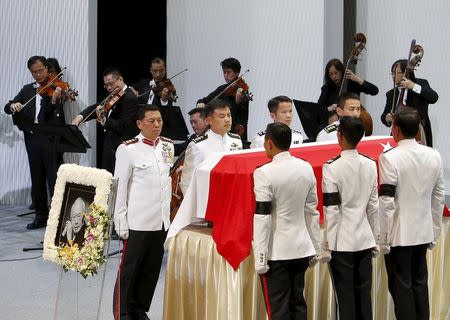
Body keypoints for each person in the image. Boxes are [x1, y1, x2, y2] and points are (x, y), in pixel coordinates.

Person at [378, 108, 445, 320]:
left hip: (399, 233)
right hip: (422, 231)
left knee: (401, 288)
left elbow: (386, 201)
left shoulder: (389, 157)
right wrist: (435, 231)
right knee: (419, 285)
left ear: (395, 130)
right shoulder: (434, 155)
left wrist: (384, 236)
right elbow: (438, 197)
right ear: (418, 130)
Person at [252, 122, 321, 320]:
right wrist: (315, 246)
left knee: (278, 309)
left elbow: (262, 217)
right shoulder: (306, 168)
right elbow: (312, 211)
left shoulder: (264, 172)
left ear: (269, 143)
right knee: (298, 303)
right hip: (301, 249)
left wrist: (261, 256)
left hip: (277, 253)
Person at [113, 105, 174, 320]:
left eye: (159, 120)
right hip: (137, 221)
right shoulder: (127, 149)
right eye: (151, 121)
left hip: (160, 220)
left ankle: (139, 309)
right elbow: (119, 187)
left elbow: (166, 181)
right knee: (130, 269)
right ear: (139, 123)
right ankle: (123, 312)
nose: (156, 125)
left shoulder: (167, 146)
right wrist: (120, 219)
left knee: (151, 269)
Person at [321, 116, 379, 320]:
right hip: (365, 238)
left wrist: (329, 243)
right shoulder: (370, 163)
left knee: (345, 299)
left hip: (342, 242)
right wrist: (376, 237)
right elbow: (373, 206)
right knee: (364, 296)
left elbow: (332, 209)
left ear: (339, 136)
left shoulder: (331, 167)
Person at [4, 56, 65, 229]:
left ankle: (57, 218)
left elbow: (52, 114)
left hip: (51, 139)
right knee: (37, 178)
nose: (38, 75)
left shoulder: (56, 88)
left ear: (47, 69)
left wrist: (54, 100)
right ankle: (40, 216)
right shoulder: (27, 90)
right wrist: (13, 105)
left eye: (41, 71)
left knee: (54, 180)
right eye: (34, 72)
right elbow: (7, 107)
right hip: (32, 139)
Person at [72, 67, 139, 173]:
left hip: (121, 148)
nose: (108, 88)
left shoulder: (130, 98)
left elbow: (123, 125)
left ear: (120, 80)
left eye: (111, 84)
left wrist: (104, 120)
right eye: (106, 85)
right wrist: (79, 117)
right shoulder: (114, 95)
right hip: (110, 145)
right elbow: (96, 107)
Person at [179, 99, 242, 195]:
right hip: (208, 197)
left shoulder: (236, 140)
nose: (227, 119)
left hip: (232, 196)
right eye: (222, 116)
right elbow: (187, 182)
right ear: (208, 120)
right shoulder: (197, 145)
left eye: (229, 115)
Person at [380, 59, 438, 147]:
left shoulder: (421, 84)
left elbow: (434, 98)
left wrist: (413, 86)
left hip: (419, 132)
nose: (393, 76)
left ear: (406, 73)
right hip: (398, 134)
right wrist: (387, 118)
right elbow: (384, 116)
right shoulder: (391, 93)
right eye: (392, 73)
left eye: (397, 73)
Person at [196, 57, 250, 140]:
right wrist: (201, 103)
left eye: (228, 72)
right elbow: (204, 100)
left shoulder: (242, 89)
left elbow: (236, 112)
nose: (225, 75)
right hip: (221, 133)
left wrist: (238, 102)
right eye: (224, 72)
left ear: (237, 73)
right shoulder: (222, 89)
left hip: (236, 133)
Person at [318, 58, 378, 125]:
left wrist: (357, 79)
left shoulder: (353, 83)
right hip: (334, 123)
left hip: (353, 121)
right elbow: (319, 108)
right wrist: (329, 108)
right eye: (331, 74)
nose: (334, 76)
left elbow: (374, 91)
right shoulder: (326, 88)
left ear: (341, 71)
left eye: (336, 73)